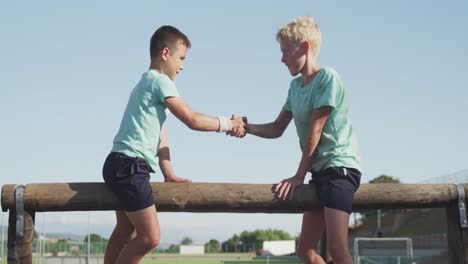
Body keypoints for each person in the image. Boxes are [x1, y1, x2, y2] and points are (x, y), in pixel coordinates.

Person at [102, 25, 245, 264]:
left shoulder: (143, 85)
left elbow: (160, 136)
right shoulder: (161, 82)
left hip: (117, 162)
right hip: (130, 167)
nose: (183, 65)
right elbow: (192, 119)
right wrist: (228, 124)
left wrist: (169, 173)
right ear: (165, 54)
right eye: (181, 58)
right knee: (151, 237)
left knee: (125, 231)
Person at [232, 17, 361, 264]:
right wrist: (245, 128)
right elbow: (277, 128)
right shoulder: (295, 87)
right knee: (306, 252)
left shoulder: (328, 78)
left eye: (285, 52)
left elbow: (315, 131)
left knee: (338, 250)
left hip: (339, 170)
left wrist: (298, 176)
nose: (282, 59)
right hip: (319, 173)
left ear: (304, 47)